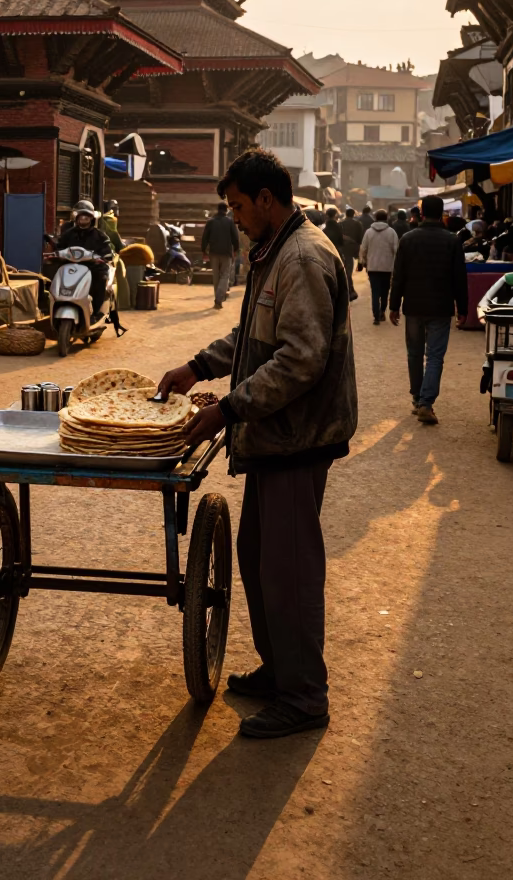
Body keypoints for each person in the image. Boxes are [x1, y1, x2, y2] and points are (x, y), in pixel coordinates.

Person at [158, 148, 357, 740]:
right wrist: (199, 367)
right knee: (259, 559)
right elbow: (252, 337)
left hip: (297, 439)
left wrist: (229, 409)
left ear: (266, 200)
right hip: (273, 438)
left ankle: (304, 696)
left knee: (289, 571)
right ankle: (281, 671)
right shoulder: (275, 251)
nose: (234, 216)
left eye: (239, 206)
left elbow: (300, 360)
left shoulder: (303, 258)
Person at [389, 193, 468, 424]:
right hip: (441, 308)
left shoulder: (408, 239)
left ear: (421, 214)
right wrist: (463, 308)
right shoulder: (452, 240)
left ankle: (417, 398)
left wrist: (394, 305)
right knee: (434, 357)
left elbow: (399, 276)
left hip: (413, 306)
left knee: (414, 353)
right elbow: (459, 278)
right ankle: (426, 403)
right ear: (442, 214)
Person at [57, 199, 113, 320]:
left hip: (93, 267)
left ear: (92, 218)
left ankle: (96, 312)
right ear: (76, 218)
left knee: (100, 279)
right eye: (81, 217)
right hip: (71, 266)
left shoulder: (100, 235)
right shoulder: (68, 234)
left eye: (86, 217)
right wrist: (55, 254)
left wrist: (104, 257)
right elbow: (60, 246)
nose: (83, 220)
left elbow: (107, 250)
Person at [359, 208, 398, 324]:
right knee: (385, 291)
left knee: (375, 292)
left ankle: (376, 316)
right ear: (386, 218)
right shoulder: (391, 232)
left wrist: (363, 262)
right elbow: (396, 250)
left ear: (375, 218)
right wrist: (395, 265)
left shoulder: (368, 232)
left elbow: (363, 249)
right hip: (387, 267)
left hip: (372, 267)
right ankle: (382, 311)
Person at [201, 201, 240, 309]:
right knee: (225, 275)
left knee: (216, 276)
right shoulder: (230, 222)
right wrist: (235, 249)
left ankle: (218, 300)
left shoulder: (210, 222)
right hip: (226, 253)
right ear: (226, 210)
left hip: (213, 253)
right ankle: (219, 299)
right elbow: (235, 237)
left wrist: (204, 251)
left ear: (218, 210)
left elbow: (205, 237)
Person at [340, 207, 363, 302]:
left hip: (343, 249)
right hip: (352, 249)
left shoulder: (340, 223)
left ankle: (347, 289)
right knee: (349, 269)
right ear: (353, 214)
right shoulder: (358, 224)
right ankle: (349, 289)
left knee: (345, 269)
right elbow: (360, 238)